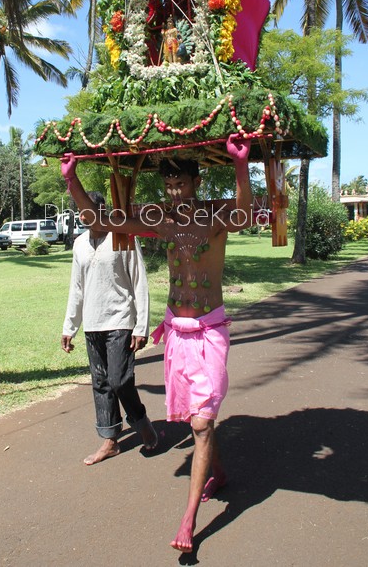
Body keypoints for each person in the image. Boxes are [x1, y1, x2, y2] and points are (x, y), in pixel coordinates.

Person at [60, 137, 252, 552]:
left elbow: (244, 214)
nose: (174, 192)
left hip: (210, 331)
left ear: (196, 181)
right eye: (167, 186)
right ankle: (216, 472)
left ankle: (188, 523)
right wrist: (73, 180)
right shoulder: (161, 217)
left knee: (200, 422)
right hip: (176, 332)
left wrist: (241, 167)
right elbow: (103, 220)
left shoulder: (216, 213)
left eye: (180, 184)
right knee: (199, 419)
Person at [61, 191, 158, 465]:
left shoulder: (123, 236)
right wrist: (70, 326)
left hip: (120, 320)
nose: (86, 215)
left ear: (103, 209)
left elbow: (139, 281)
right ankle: (110, 440)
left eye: (91, 209)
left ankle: (140, 421)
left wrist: (141, 326)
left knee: (119, 379)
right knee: (101, 383)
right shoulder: (79, 244)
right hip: (93, 324)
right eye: (81, 211)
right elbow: (76, 288)